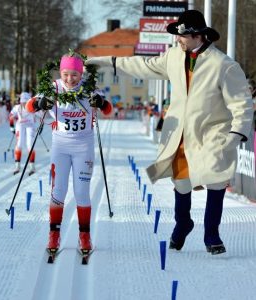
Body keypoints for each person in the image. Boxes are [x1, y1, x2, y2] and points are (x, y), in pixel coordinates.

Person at [86, 10, 254, 255]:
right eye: (177, 35)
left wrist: (235, 134)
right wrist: (108, 62)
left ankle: (212, 234)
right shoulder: (174, 57)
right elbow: (142, 65)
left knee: (216, 181)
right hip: (181, 134)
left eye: (183, 35)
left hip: (213, 133)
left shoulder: (224, 65)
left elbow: (242, 102)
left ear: (198, 36)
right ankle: (183, 223)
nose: (178, 39)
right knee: (182, 183)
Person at [26, 53, 112, 253]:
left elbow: (108, 109)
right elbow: (29, 106)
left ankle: (85, 236)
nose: (69, 79)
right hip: (60, 147)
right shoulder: (53, 88)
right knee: (58, 191)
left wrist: (100, 103)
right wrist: (39, 104)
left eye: (74, 74)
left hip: (83, 147)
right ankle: (54, 235)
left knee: (82, 192)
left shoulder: (89, 88)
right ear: (60, 73)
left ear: (80, 73)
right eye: (65, 74)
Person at [9, 91, 37, 175]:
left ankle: (32, 166)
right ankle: (17, 165)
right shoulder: (17, 107)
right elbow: (11, 115)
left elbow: (41, 115)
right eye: (23, 102)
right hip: (20, 125)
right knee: (19, 144)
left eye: (26, 102)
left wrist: (41, 126)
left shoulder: (33, 107)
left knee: (30, 145)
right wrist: (11, 126)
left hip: (30, 125)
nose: (24, 104)